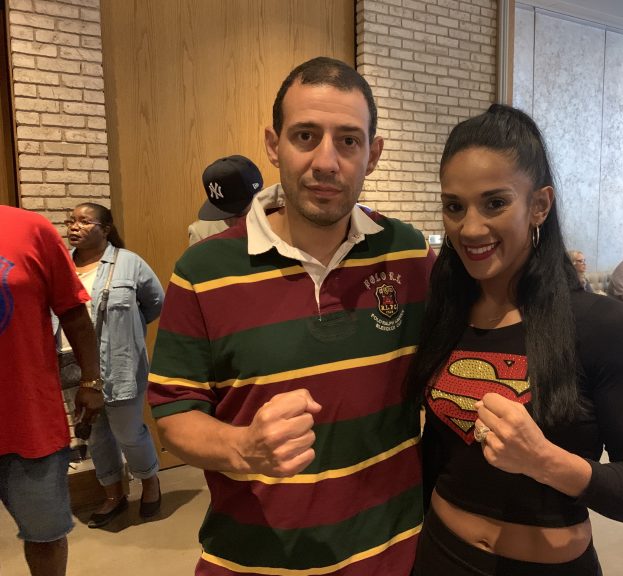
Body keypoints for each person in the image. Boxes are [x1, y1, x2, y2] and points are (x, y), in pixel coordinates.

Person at [148, 57, 434, 575]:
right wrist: (242, 447)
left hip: (392, 557)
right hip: (251, 560)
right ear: (273, 144)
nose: (326, 161)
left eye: (348, 140)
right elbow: (174, 414)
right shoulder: (202, 271)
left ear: (373, 154)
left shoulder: (409, 255)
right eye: (306, 136)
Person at [407, 104, 623, 576]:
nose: (470, 228)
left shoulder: (604, 326)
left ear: (539, 205)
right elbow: (437, 451)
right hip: (440, 556)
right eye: (454, 206)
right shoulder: (445, 313)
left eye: (495, 203)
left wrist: (544, 461)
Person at [0, 206, 103, 576]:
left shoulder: (30, 228)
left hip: (28, 420)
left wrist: (91, 380)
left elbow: (73, 311)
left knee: (46, 534)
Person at [63, 202, 165, 528]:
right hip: (74, 365)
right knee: (94, 435)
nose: (74, 227)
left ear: (105, 229)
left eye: (84, 222)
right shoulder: (61, 265)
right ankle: (113, 495)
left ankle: (149, 482)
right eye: (71, 221)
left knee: (128, 431)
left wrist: (127, 331)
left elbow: (155, 302)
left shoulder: (128, 263)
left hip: (120, 364)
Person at [187, 155, 263, 245]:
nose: (231, 221)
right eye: (223, 212)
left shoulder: (275, 217)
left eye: (238, 213)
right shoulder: (201, 232)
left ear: (259, 192)